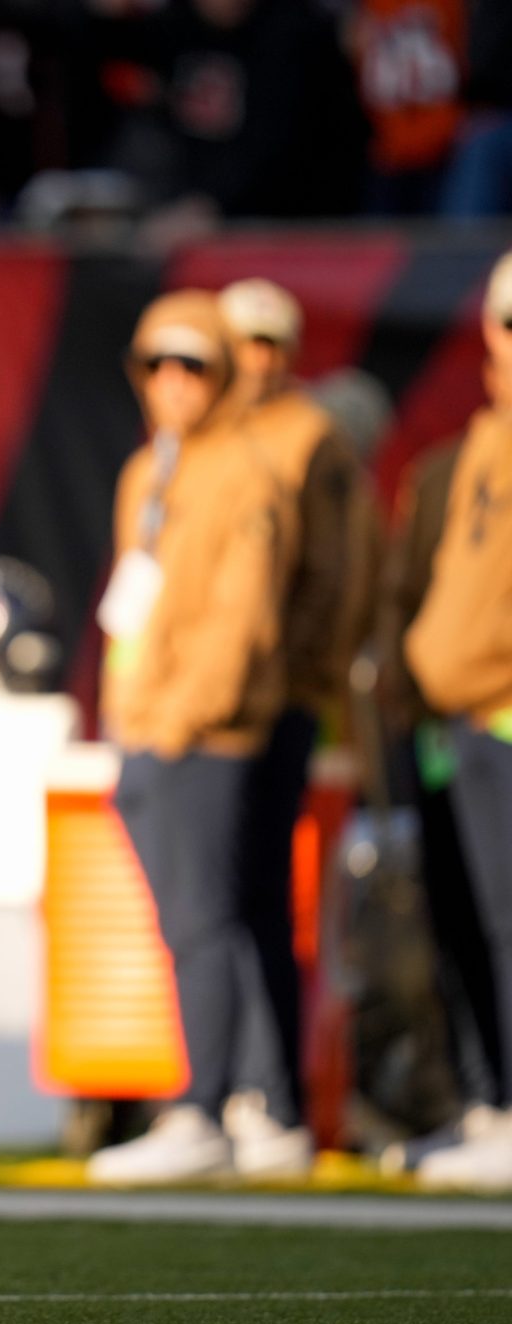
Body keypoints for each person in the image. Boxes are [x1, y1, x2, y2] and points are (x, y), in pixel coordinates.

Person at [90, 289, 299, 1185]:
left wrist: (179, 716)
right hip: (144, 728)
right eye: (158, 363)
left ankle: (207, 1106)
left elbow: (241, 617)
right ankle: (233, 1099)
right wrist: (126, 717)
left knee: (208, 921)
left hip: (204, 732)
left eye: (195, 364)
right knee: (191, 923)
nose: (173, 382)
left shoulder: (245, 472)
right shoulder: (150, 472)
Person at [211, 277, 374, 1179]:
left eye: (273, 342)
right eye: (245, 341)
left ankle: (274, 1094)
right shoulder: (205, 435)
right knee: (214, 906)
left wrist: (292, 679)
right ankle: (227, 1087)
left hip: (271, 707)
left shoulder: (310, 437)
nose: (258, 359)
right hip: (212, 705)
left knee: (269, 902)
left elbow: (338, 580)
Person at [400, 248, 512, 1190]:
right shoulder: (483, 439)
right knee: (480, 923)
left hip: (503, 707)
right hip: (470, 714)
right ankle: (495, 1100)